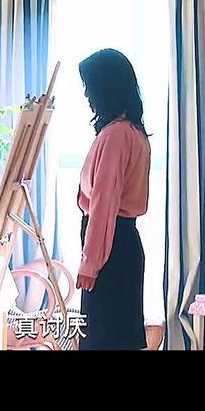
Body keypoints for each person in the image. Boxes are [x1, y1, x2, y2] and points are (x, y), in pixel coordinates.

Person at [76, 49, 151, 350]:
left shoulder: (115, 135)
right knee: (119, 340)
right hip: (123, 244)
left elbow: (103, 205)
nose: (86, 95)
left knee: (102, 340)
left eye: (90, 87)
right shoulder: (134, 132)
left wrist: (90, 263)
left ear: (106, 88)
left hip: (110, 250)